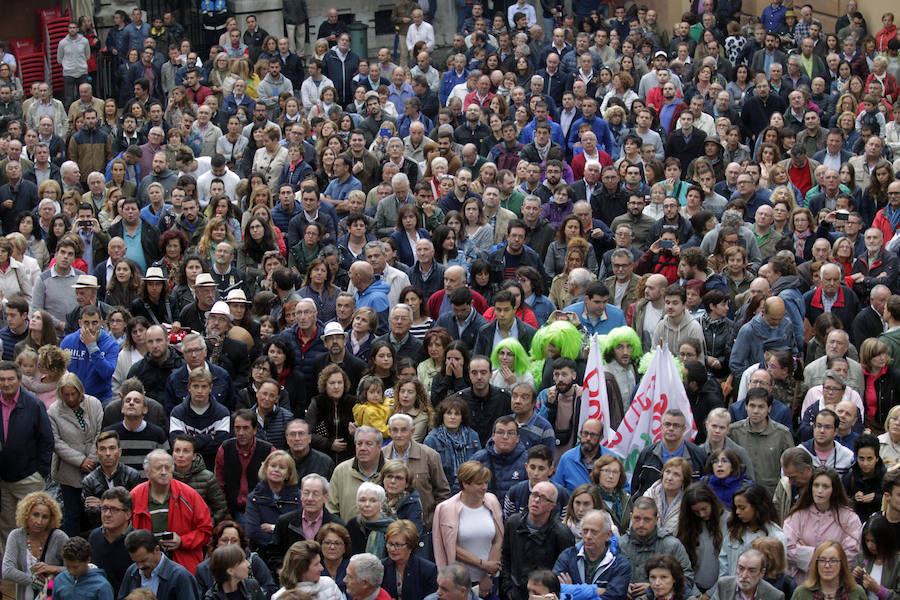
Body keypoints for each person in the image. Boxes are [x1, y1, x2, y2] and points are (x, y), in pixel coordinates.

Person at [129, 449, 212, 574]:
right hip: (144, 567)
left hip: (183, 566)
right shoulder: (135, 496)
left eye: (167, 468)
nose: (163, 472)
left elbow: (206, 531)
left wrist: (182, 541)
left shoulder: (189, 495)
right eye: (158, 468)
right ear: (147, 472)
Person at [0, 359, 54, 543]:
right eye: (2, 379)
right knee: (7, 525)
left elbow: (47, 440)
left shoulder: (33, 405)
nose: (6, 384)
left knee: (34, 525)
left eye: (10, 379)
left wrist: (40, 472)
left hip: (29, 478)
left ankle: (35, 564)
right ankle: (10, 566)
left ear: (20, 380)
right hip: (3, 479)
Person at [432, 460, 504, 597]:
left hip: (490, 580)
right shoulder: (445, 508)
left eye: (486, 483)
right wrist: (483, 565)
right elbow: (449, 546)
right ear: (465, 484)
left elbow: (498, 539)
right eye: (479, 484)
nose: (484, 487)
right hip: (458, 583)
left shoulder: (492, 501)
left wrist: (488, 575)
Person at [47, 372, 104, 536]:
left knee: (95, 511)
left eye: (73, 394)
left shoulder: (94, 404)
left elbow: (101, 432)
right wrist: (80, 461)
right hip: (69, 470)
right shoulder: (54, 411)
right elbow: (56, 442)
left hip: (95, 467)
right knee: (72, 513)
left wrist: (92, 459)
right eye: (66, 395)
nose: (71, 398)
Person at [501, 480, 575, 600]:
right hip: (514, 592)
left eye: (543, 498)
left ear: (553, 505)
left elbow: (563, 570)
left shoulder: (562, 533)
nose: (536, 500)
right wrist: (508, 588)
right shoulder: (513, 523)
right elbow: (505, 556)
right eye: (534, 495)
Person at [784, 466, 862, 580]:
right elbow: (787, 548)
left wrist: (807, 553)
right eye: (816, 485)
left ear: (834, 489)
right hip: (802, 583)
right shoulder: (797, 515)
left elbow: (849, 555)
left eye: (825, 486)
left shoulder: (849, 518)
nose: (819, 491)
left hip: (835, 583)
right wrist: (829, 558)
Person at [619, 497, 696, 599]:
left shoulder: (672, 545)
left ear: (656, 519)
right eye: (637, 518)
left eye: (647, 519)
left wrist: (654, 588)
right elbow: (609, 576)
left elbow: (687, 579)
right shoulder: (621, 544)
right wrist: (622, 585)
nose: (641, 524)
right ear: (631, 517)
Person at [1, 491, 67, 600]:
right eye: (35, 515)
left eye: (45, 517)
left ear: (51, 519)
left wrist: (54, 568)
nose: (39, 521)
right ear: (26, 514)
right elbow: (7, 571)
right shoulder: (16, 535)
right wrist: (36, 582)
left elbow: (74, 568)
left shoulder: (59, 537)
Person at [270, 473, 344, 568]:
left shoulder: (337, 526)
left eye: (315, 494)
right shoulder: (285, 522)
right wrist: (288, 572)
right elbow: (274, 554)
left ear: (325, 497)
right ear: (301, 495)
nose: (310, 498)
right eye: (306, 493)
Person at [631, 409, 707, 498]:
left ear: (684, 429)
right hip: (650, 508)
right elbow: (636, 488)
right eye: (667, 424)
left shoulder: (698, 455)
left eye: (676, 425)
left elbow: (705, 488)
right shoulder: (647, 453)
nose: (671, 428)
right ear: (661, 427)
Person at [718, 484, 787, 577]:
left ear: (757, 507)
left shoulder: (776, 536)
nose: (737, 512)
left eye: (742, 508)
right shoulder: (734, 533)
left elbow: (778, 573)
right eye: (736, 508)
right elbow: (723, 567)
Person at [81, 431, 142, 530]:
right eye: (103, 449)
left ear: (119, 452)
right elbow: (91, 515)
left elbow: (135, 509)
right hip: (101, 530)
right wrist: (119, 508)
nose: (108, 453)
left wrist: (102, 505)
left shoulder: (132, 475)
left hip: (129, 531)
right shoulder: (89, 481)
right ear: (97, 453)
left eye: (112, 448)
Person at [118, 529, 202, 600]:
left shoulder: (180, 577)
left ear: (156, 549)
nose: (140, 566)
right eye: (136, 562)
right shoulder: (132, 572)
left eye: (144, 560)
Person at [87, 487, 133, 594]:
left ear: (128, 514)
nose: (107, 514)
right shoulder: (94, 536)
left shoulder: (137, 541)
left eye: (114, 510)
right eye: (104, 508)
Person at [790, 542, 866, 600]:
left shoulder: (856, 592)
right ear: (816, 564)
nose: (827, 566)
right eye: (822, 560)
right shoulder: (801, 593)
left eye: (833, 561)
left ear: (842, 564)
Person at [275, 540, 343, 600]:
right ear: (301, 569)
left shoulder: (328, 584)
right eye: (316, 564)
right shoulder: (280, 597)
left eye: (319, 562)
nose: (321, 568)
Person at [53, 536, 116, 600]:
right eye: (67, 566)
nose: (71, 571)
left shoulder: (102, 586)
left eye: (75, 567)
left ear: (88, 560)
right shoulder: (60, 579)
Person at [707, 548, 784, 600]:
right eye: (741, 568)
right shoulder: (723, 585)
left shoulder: (774, 596)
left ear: (762, 573)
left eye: (751, 570)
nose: (744, 575)